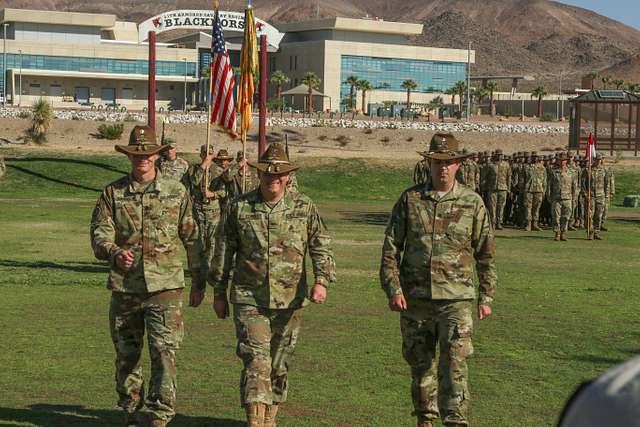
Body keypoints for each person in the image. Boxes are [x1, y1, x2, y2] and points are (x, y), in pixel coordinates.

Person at [208, 142, 336, 427]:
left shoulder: (304, 207)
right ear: (259, 174)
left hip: (289, 299)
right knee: (256, 360)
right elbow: (223, 251)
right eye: (267, 173)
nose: (273, 178)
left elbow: (320, 245)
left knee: (278, 364)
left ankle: (270, 419)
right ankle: (256, 422)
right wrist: (218, 292)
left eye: (280, 174)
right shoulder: (239, 207)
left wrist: (322, 281)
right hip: (248, 297)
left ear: (288, 176)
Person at [380, 132, 497, 427]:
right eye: (436, 162)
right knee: (421, 368)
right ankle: (426, 421)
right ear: (428, 164)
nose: (442, 168)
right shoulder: (410, 200)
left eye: (448, 162)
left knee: (455, 367)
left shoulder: (473, 203)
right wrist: (393, 288)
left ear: (458, 164)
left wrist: (486, 297)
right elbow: (391, 249)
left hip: (456, 300)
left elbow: (485, 253)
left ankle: (455, 422)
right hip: (416, 301)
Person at [90, 126, 204, 427]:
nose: (142, 159)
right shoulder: (112, 193)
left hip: (165, 289)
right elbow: (100, 233)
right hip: (126, 288)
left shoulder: (176, 192)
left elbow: (192, 237)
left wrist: (199, 282)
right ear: (129, 156)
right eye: (136, 153)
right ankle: (130, 410)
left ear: (156, 155)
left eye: (147, 153)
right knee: (127, 355)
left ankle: (160, 415)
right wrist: (114, 252)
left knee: (164, 353)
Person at [181, 145, 227, 277]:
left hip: (213, 211)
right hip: (197, 210)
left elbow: (224, 191)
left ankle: (209, 268)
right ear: (200, 154)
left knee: (212, 241)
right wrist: (202, 167)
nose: (207, 156)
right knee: (198, 239)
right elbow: (193, 182)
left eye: (210, 154)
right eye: (205, 153)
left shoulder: (218, 171)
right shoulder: (193, 169)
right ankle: (199, 267)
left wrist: (212, 194)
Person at [547, 152, 575, 241]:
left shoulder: (571, 171)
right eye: (560, 160)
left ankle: (563, 233)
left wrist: (574, 197)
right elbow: (549, 185)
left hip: (567, 197)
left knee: (566, 217)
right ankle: (557, 233)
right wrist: (549, 196)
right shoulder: (553, 171)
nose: (562, 162)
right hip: (556, 197)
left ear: (566, 161)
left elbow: (574, 186)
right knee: (556, 217)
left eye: (564, 160)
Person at [522, 152, 547, 231]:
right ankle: (528, 224)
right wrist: (522, 189)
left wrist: (544, 191)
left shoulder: (542, 168)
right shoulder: (526, 167)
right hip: (528, 190)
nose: (535, 158)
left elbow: (545, 181)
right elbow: (522, 180)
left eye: (536, 157)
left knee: (536, 208)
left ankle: (535, 224)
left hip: (539, 190)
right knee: (528, 207)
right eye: (533, 157)